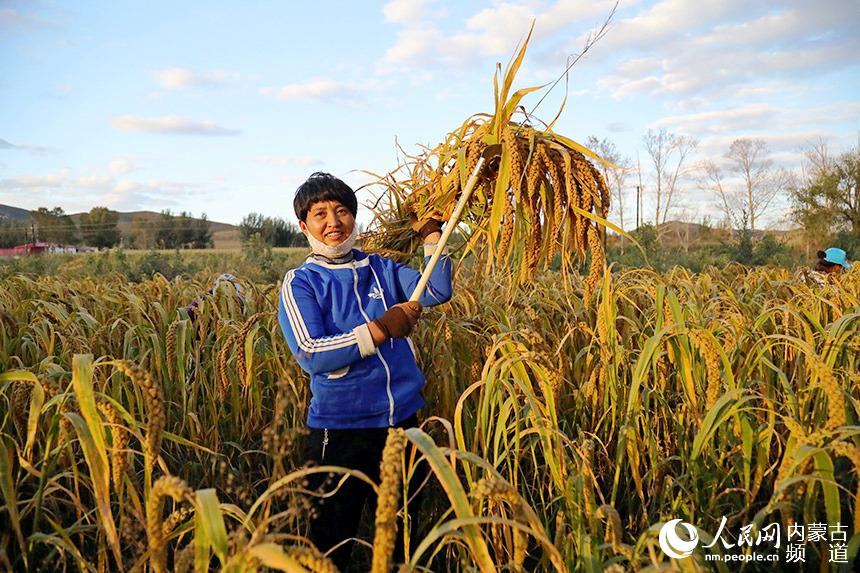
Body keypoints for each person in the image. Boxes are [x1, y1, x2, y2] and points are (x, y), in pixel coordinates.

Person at [277, 172, 451, 570]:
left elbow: (436, 288)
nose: (333, 222)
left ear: (354, 218)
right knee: (329, 543)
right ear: (304, 226)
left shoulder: (380, 269)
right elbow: (311, 351)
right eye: (320, 213)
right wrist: (380, 328)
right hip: (341, 430)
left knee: (404, 538)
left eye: (341, 211)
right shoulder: (302, 282)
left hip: (403, 425)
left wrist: (430, 234)